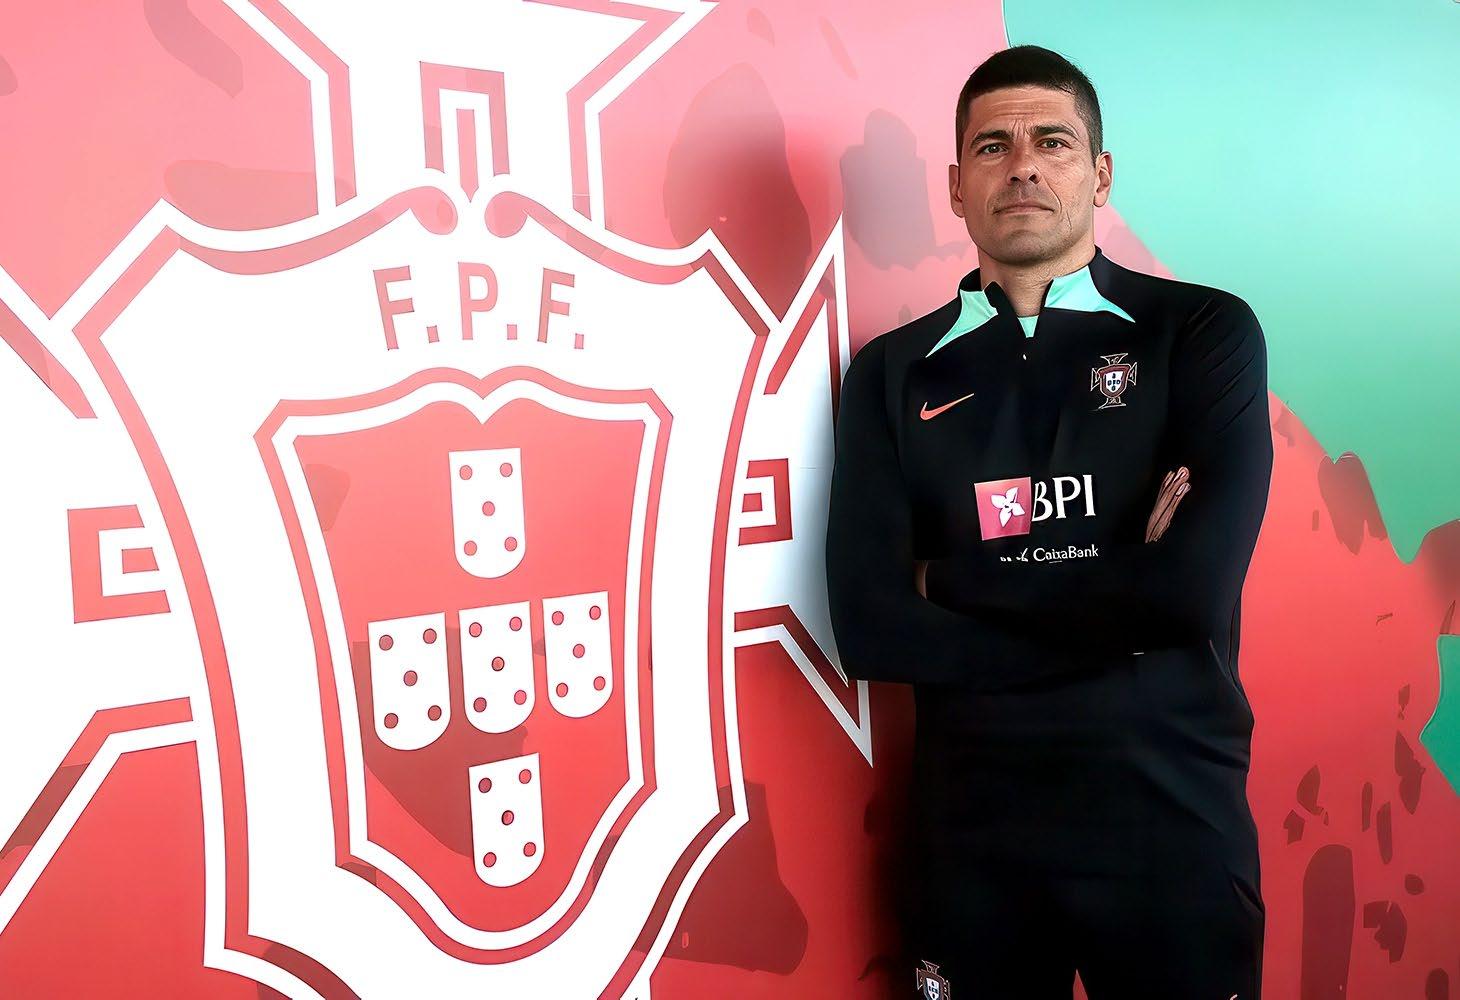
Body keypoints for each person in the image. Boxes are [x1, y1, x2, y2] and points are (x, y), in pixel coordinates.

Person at [823, 45, 1273, 999]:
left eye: (1053, 142)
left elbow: (1189, 595)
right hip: (972, 841)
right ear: (956, 187)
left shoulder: (1200, 334)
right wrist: (1119, 589)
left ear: (1099, 175)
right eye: (993, 146)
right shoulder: (892, 373)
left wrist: (948, 579)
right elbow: (868, 627)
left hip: (1169, 824)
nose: (1022, 165)